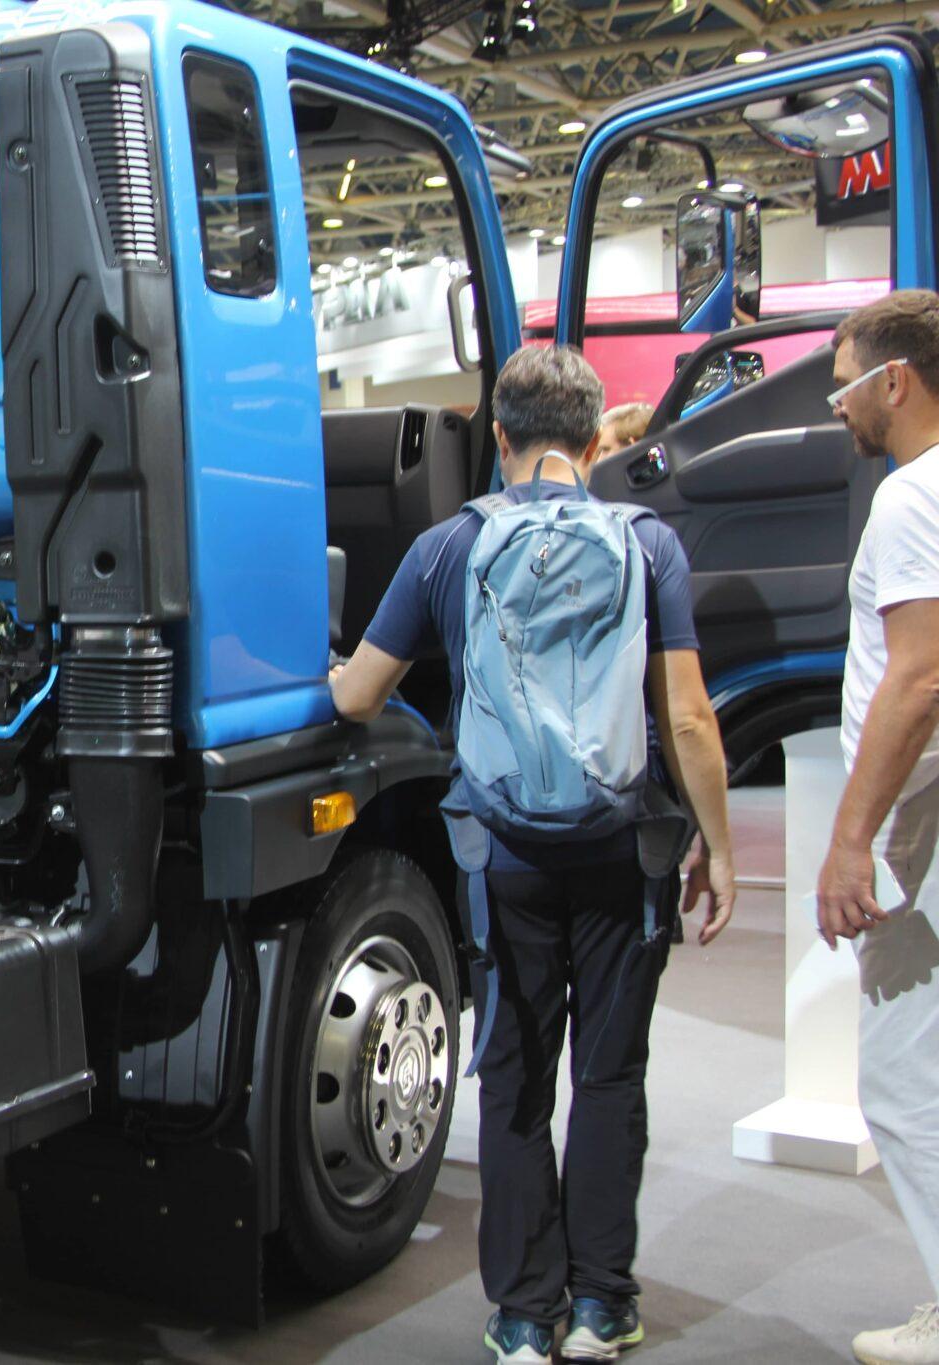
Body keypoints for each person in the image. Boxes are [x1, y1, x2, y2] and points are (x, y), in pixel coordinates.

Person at [329, 346, 735, 1365]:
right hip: (621, 850)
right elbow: (687, 717)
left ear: (498, 436)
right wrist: (718, 848)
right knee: (608, 1077)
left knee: (512, 1079)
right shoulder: (647, 543)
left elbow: (359, 695)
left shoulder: (447, 546)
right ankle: (601, 1308)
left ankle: (520, 1316)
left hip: (502, 853)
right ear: (594, 443)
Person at [812, 291, 939, 1365]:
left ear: (893, 380)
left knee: (902, 1083)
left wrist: (851, 840)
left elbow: (917, 678)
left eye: (843, 383)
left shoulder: (908, 497)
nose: (837, 405)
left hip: (920, 820)